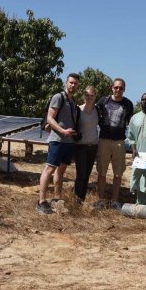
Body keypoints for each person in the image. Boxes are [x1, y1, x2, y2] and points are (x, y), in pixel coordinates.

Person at [36, 73, 80, 215]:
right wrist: (62, 131)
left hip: (68, 141)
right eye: (71, 83)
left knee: (61, 170)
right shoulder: (58, 97)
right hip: (57, 139)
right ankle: (41, 201)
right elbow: (50, 118)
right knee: (49, 168)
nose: (73, 85)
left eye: (75, 83)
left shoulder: (73, 102)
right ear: (66, 83)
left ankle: (57, 197)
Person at [95, 78, 134, 210]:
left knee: (118, 173)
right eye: (116, 87)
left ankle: (115, 201)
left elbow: (130, 123)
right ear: (112, 87)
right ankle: (101, 200)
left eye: (121, 88)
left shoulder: (128, 104)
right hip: (104, 140)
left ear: (124, 89)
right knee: (101, 172)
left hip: (119, 142)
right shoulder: (103, 101)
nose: (118, 90)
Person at [73, 85, 99, 202]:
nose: (89, 97)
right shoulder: (78, 109)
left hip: (93, 146)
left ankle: (82, 199)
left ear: (95, 97)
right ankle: (76, 199)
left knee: (87, 174)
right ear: (84, 96)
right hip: (80, 146)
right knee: (81, 174)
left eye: (91, 95)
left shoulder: (97, 110)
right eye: (87, 95)